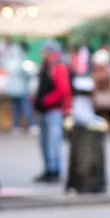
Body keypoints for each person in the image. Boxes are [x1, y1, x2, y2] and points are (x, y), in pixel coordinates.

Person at [32, 42, 73, 182]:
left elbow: (63, 90)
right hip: (44, 110)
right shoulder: (47, 65)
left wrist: (46, 101)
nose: (42, 53)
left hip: (53, 110)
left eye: (44, 51)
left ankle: (54, 170)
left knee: (53, 142)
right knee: (44, 142)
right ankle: (48, 168)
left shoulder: (58, 66)